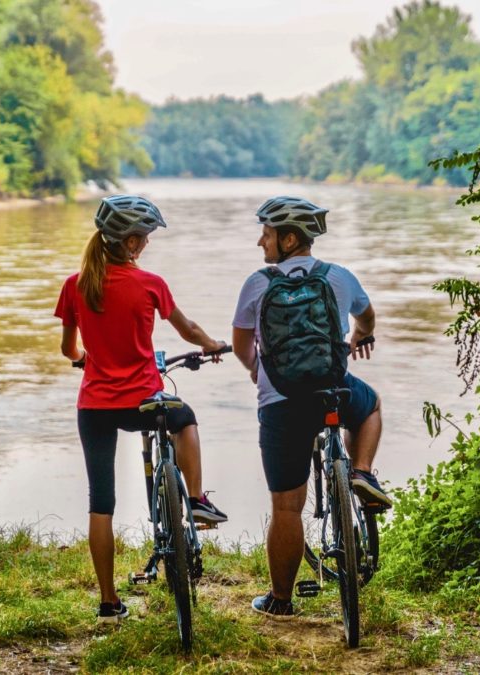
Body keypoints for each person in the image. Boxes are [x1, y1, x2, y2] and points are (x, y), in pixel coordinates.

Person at [55, 194, 228, 624]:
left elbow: (68, 349)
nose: (146, 245)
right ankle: (195, 497)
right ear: (130, 243)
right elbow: (187, 330)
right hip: (144, 403)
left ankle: (109, 603)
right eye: (144, 238)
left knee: (101, 503)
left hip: (94, 406)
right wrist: (211, 345)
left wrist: (84, 359)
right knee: (184, 418)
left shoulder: (75, 285)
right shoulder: (150, 284)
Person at [231, 195, 391, 619]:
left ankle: (281, 601)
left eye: (266, 234)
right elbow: (368, 318)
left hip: (281, 403)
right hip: (332, 391)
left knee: (285, 506)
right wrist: (358, 337)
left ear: (287, 239)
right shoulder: (338, 277)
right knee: (370, 405)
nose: (260, 242)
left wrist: (255, 371)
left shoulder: (257, 283)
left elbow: (241, 345)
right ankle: (361, 472)